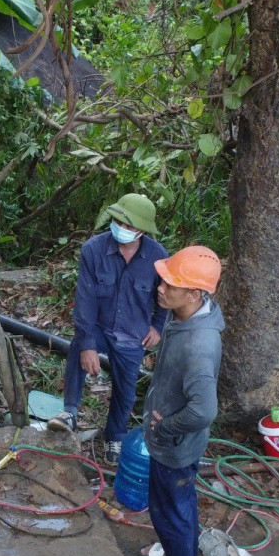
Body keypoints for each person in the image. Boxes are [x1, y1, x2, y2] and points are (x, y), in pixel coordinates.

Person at [130, 246, 224, 556]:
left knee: (169, 508)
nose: (161, 288)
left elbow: (203, 411)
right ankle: (184, 555)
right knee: (181, 502)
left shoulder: (199, 346)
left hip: (175, 444)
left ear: (194, 293)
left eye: (171, 284)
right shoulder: (188, 314)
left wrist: (165, 427)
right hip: (178, 441)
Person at [49, 193, 168, 463]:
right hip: (99, 326)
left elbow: (166, 294)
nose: (121, 229)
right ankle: (70, 411)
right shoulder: (94, 250)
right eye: (117, 222)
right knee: (79, 346)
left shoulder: (157, 257)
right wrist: (89, 345)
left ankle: (115, 436)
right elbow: (85, 300)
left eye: (128, 226)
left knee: (126, 388)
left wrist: (158, 326)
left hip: (133, 333)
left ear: (141, 230)